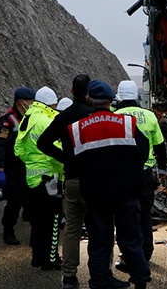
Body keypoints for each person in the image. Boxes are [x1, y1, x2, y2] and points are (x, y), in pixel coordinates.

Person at [38, 75, 128, 289]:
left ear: (71, 90)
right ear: (90, 94)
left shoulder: (63, 117)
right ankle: (102, 274)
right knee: (101, 229)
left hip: (71, 181)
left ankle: (69, 277)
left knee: (71, 230)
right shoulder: (94, 116)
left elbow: (43, 143)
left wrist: (65, 158)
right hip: (95, 182)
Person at [69, 80, 150, 289]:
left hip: (95, 194)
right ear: (111, 101)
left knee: (99, 241)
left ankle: (100, 280)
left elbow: (73, 162)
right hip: (126, 192)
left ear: (89, 100)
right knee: (131, 238)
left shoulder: (77, 129)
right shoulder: (127, 124)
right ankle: (140, 279)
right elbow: (143, 153)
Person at [114, 80, 167, 273]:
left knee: (124, 217)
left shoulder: (113, 116)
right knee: (145, 215)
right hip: (145, 175)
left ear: (119, 95)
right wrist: (162, 171)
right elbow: (160, 146)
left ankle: (128, 255)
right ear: (136, 96)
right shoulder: (149, 116)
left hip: (122, 176)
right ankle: (146, 253)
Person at [14, 86, 65, 271]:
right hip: (50, 178)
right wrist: (64, 168)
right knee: (52, 222)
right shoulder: (47, 120)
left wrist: (31, 163)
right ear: (51, 103)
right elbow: (56, 152)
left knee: (37, 221)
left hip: (33, 179)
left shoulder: (28, 117)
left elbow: (18, 149)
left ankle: (36, 256)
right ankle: (51, 259)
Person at [0, 87, 35, 245]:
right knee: (14, 200)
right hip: (12, 168)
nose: (33, 104)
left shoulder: (30, 117)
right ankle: (8, 230)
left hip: (27, 165)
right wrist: (0, 170)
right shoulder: (7, 121)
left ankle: (31, 222)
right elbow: (0, 146)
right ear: (21, 102)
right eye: (31, 101)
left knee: (31, 197)